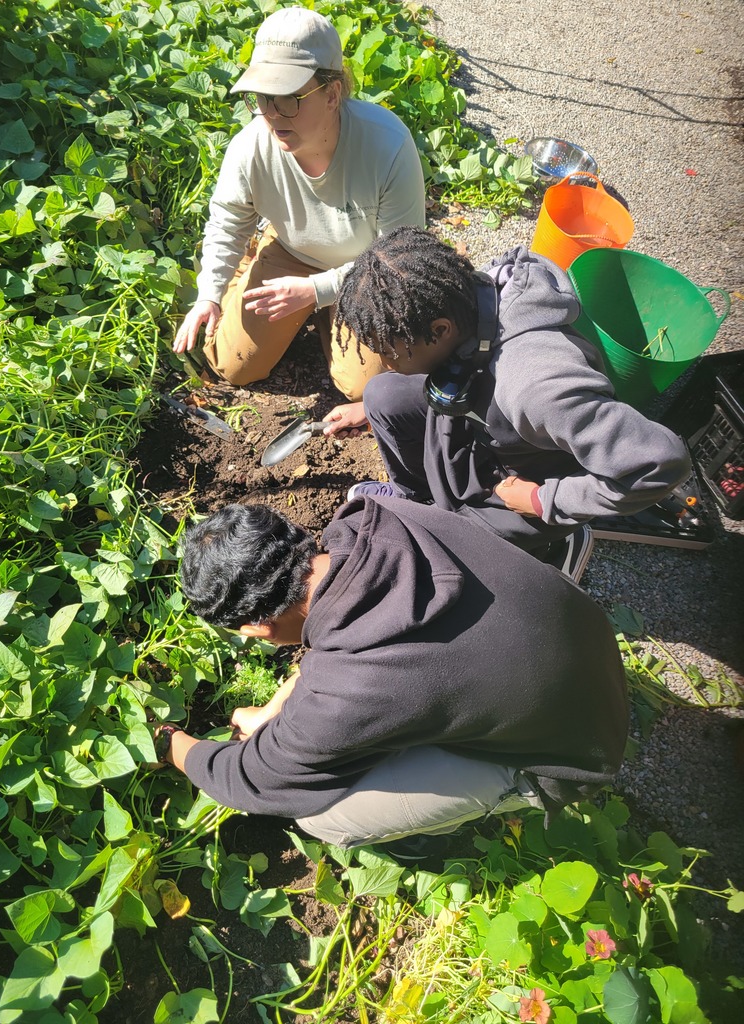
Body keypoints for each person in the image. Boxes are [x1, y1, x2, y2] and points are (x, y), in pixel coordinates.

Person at [152, 498, 629, 851]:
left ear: (259, 625)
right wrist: (273, 713)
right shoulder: (374, 519)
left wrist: (168, 742)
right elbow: (344, 647)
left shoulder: (352, 687)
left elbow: (252, 780)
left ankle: (482, 809)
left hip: (576, 750)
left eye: (246, 633)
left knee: (322, 818)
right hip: (586, 649)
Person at [324, 226, 692, 581]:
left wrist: (542, 500)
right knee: (383, 395)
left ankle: (552, 550)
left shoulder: (538, 387)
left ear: (439, 331)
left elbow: (660, 464)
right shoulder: (473, 294)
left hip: (524, 479)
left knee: (449, 551)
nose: (386, 363)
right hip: (490, 428)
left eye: (390, 352)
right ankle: (416, 498)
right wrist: (368, 410)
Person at [172, 6, 426, 401]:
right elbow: (228, 222)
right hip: (293, 248)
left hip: (368, 269)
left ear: (332, 93)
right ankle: (256, 269)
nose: (272, 114)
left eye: (289, 98)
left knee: (367, 389)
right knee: (232, 365)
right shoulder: (251, 146)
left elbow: (396, 258)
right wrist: (209, 293)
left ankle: (326, 312)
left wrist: (316, 290)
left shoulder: (387, 145)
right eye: (262, 97)